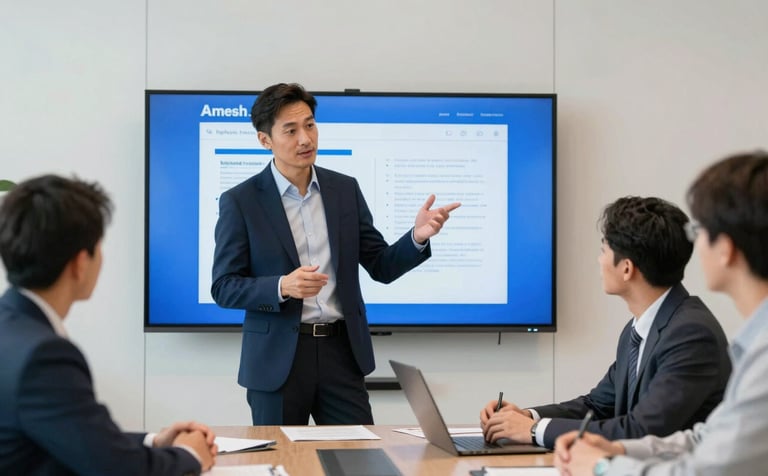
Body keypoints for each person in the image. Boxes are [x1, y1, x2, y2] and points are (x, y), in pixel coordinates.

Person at [211, 83, 461, 425]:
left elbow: (380, 266)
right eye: (291, 130)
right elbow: (224, 286)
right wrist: (282, 286)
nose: (305, 138)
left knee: (360, 457)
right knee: (284, 463)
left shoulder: (344, 189)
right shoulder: (241, 201)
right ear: (265, 140)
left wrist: (417, 237)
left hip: (341, 353)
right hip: (278, 360)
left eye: (310, 125)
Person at [555, 151, 768, 476]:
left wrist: (601, 467)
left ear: (725, 249)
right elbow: (706, 437)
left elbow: (704, 471)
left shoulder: (745, 349)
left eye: (699, 231)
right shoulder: (755, 344)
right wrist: (619, 449)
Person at [0, 175, 217, 475]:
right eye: (98, 247)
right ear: (79, 263)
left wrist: (155, 441)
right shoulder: (43, 356)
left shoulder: (12, 328)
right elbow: (116, 468)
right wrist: (189, 455)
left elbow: (75, 437)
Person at [480, 196, 731, 449]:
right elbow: (598, 406)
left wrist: (534, 431)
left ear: (626, 268)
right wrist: (528, 417)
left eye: (604, 251)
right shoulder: (639, 329)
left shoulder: (690, 334)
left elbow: (642, 430)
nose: (599, 261)